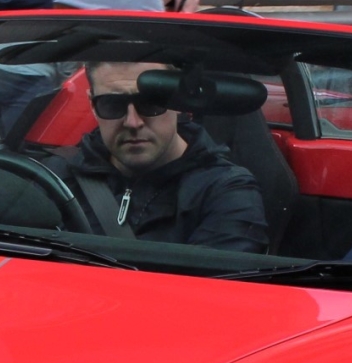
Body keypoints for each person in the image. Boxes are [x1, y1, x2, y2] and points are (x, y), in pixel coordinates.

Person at [65, 62, 267, 251]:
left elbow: (217, 286)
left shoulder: (225, 192)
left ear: (179, 100)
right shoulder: (55, 179)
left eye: (151, 102)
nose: (133, 122)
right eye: (112, 104)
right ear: (92, 104)